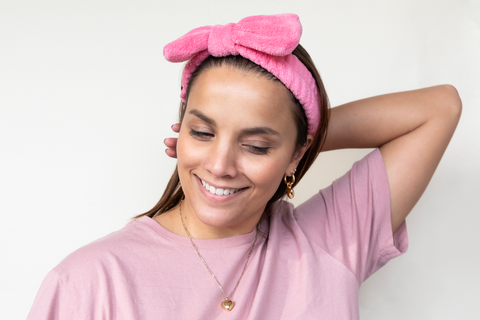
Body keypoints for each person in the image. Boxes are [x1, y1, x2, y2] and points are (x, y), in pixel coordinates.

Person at [27, 14, 461, 319]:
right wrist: (270, 143)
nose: (219, 164)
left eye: (254, 145)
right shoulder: (87, 283)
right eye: (202, 133)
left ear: (295, 153)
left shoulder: (328, 244)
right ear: (180, 133)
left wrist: (298, 139)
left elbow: (439, 108)